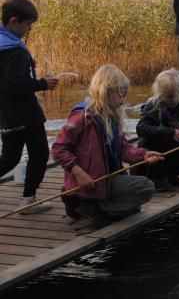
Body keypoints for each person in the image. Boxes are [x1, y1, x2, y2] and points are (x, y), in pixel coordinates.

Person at [52, 65, 163, 228]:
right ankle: (89, 204)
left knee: (138, 199)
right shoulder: (82, 118)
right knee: (145, 188)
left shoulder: (112, 118)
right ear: (106, 91)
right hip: (88, 181)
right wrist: (79, 173)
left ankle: (85, 206)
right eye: (120, 95)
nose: (122, 101)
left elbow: (124, 148)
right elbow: (58, 148)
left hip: (105, 180)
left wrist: (144, 155)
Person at [0, 0, 59, 213]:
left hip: (5, 113)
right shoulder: (14, 50)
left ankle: (29, 199)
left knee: (10, 157)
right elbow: (13, 84)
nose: (28, 29)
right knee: (40, 153)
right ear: (13, 21)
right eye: (27, 25)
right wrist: (42, 83)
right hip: (24, 112)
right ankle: (29, 200)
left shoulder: (2, 42)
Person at [135, 69, 179, 191]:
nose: (174, 100)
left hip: (170, 151)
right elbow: (141, 129)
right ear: (161, 94)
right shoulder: (153, 106)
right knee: (158, 139)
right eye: (170, 96)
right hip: (151, 156)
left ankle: (169, 174)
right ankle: (157, 178)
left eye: (178, 95)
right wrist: (169, 132)